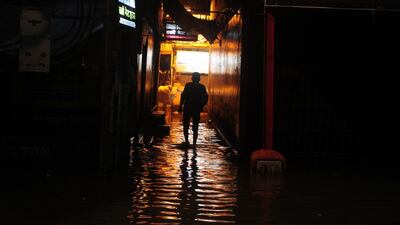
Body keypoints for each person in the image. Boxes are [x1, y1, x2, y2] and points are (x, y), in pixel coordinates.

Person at [178, 72, 208, 147]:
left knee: (185, 125)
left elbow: (183, 96)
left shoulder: (188, 85)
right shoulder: (202, 87)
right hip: (196, 108)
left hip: (188, 107)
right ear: (199, 79)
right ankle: (194, 144)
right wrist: (202, 105)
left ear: (192, 78)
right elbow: (206, 97)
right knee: (195, 126)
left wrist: (180, 106)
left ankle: (187, 141)